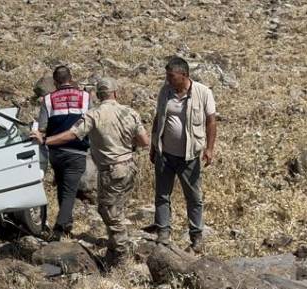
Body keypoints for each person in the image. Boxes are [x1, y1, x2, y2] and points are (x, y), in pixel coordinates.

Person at [31, 77, 149, 265]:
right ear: (116, 93)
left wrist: (46, 141)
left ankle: (121, 255)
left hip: (111, 169)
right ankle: (113, 248)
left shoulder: (95, 114)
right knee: (116, 208)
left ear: (98, 96)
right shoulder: (130, 112)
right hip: (130, 167)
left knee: (109, 211)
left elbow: (72, 134)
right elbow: (144, 141)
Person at [150, 57, 217, 253]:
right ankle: (163, 232)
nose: (168, 79)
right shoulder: (165, 91)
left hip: (189, 156)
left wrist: (209, 149)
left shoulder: (203, 92)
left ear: (184, 75)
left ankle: (196, 236)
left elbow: (211, 122)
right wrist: (154, 146)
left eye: (171, 76)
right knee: (162, 195)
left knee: (194, 197)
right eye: (167, 76)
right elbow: (158, 117)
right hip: (165, 154)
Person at [36, 65, 90, 240]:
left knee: (62, 185)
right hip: (77, 150)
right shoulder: (86, 97)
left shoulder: (48, 99)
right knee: (69, 190)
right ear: (71, 77)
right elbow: (92, 122)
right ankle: (60, 227)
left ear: (55, 81)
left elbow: (42, 127)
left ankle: (66, 223)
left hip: (56, 151)